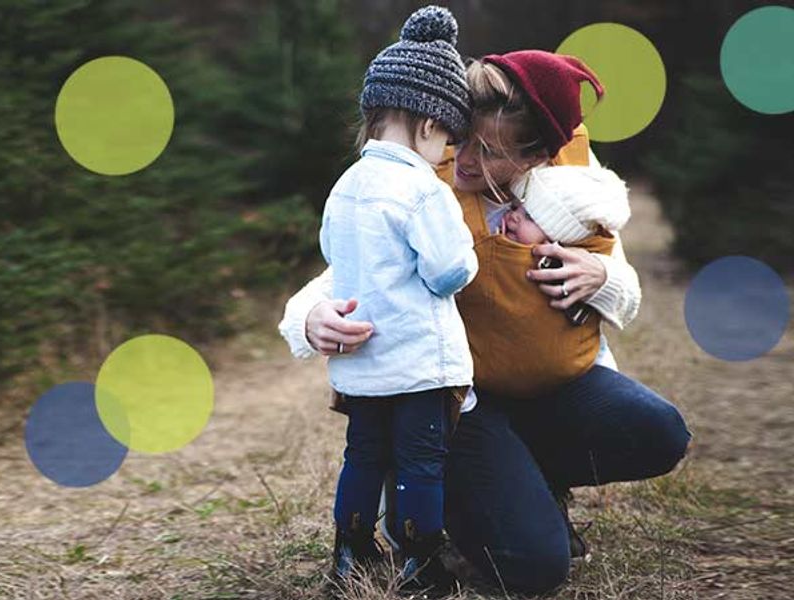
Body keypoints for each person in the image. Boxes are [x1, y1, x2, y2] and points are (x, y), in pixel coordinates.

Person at [279, 50, 691, 594]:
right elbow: (350, 271)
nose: (465, 159)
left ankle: (529, 482)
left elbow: (625, 288)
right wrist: (309, 318)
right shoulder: (426, 184)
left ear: (537, 155)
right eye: (461, 139)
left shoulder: (571, 191)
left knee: (659, 431)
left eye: (489, 151)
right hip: (459, 402)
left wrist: (602, 277)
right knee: (536, 568)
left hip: (552, 389)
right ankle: (452, 495)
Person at [320, 5, 476, 591]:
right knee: (418, 464)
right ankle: (422, 558)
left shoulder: (345, 186)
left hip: (362, 364)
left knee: (362, 457)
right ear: (430, 125)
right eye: (450, 140)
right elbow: (448, 271)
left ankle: (350, 550)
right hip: (418, 363)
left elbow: (335, 257)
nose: (448, 154)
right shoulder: (421, 188)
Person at [467, 164, 632, 399]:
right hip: (488, 382)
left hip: (574, 374)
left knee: (660, 421)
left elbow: (629, 299)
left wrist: (605, 277)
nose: (512, 216)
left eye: (530, 217)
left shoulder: (582, 216)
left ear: (559, 239)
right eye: (514, 207)